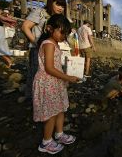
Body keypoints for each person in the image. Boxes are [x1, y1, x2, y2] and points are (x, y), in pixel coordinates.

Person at [33, 14, 80, 154]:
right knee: (51, 113)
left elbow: (56, 66)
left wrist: (65, 78)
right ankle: (46, 142)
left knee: (60, 109)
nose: (63, 36)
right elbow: (48, 67)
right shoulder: (48, 43)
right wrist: (67, 77)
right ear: (49, 28)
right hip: (47, 83)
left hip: (55, 82)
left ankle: (59, 134)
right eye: (61, 32)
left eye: (66, 34)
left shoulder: (55, 44)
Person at [22, 0, 67, 99]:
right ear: (51, 3)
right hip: (37, 49)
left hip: (51, 50)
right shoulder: (40, 12)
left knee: (49, 74)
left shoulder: (56, 17)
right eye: (58, 4)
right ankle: (33, 99)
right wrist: (37, 43)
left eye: (63, 6)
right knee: (36, 73)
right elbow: (25, 27)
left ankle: (46, 98)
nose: (61, 8)